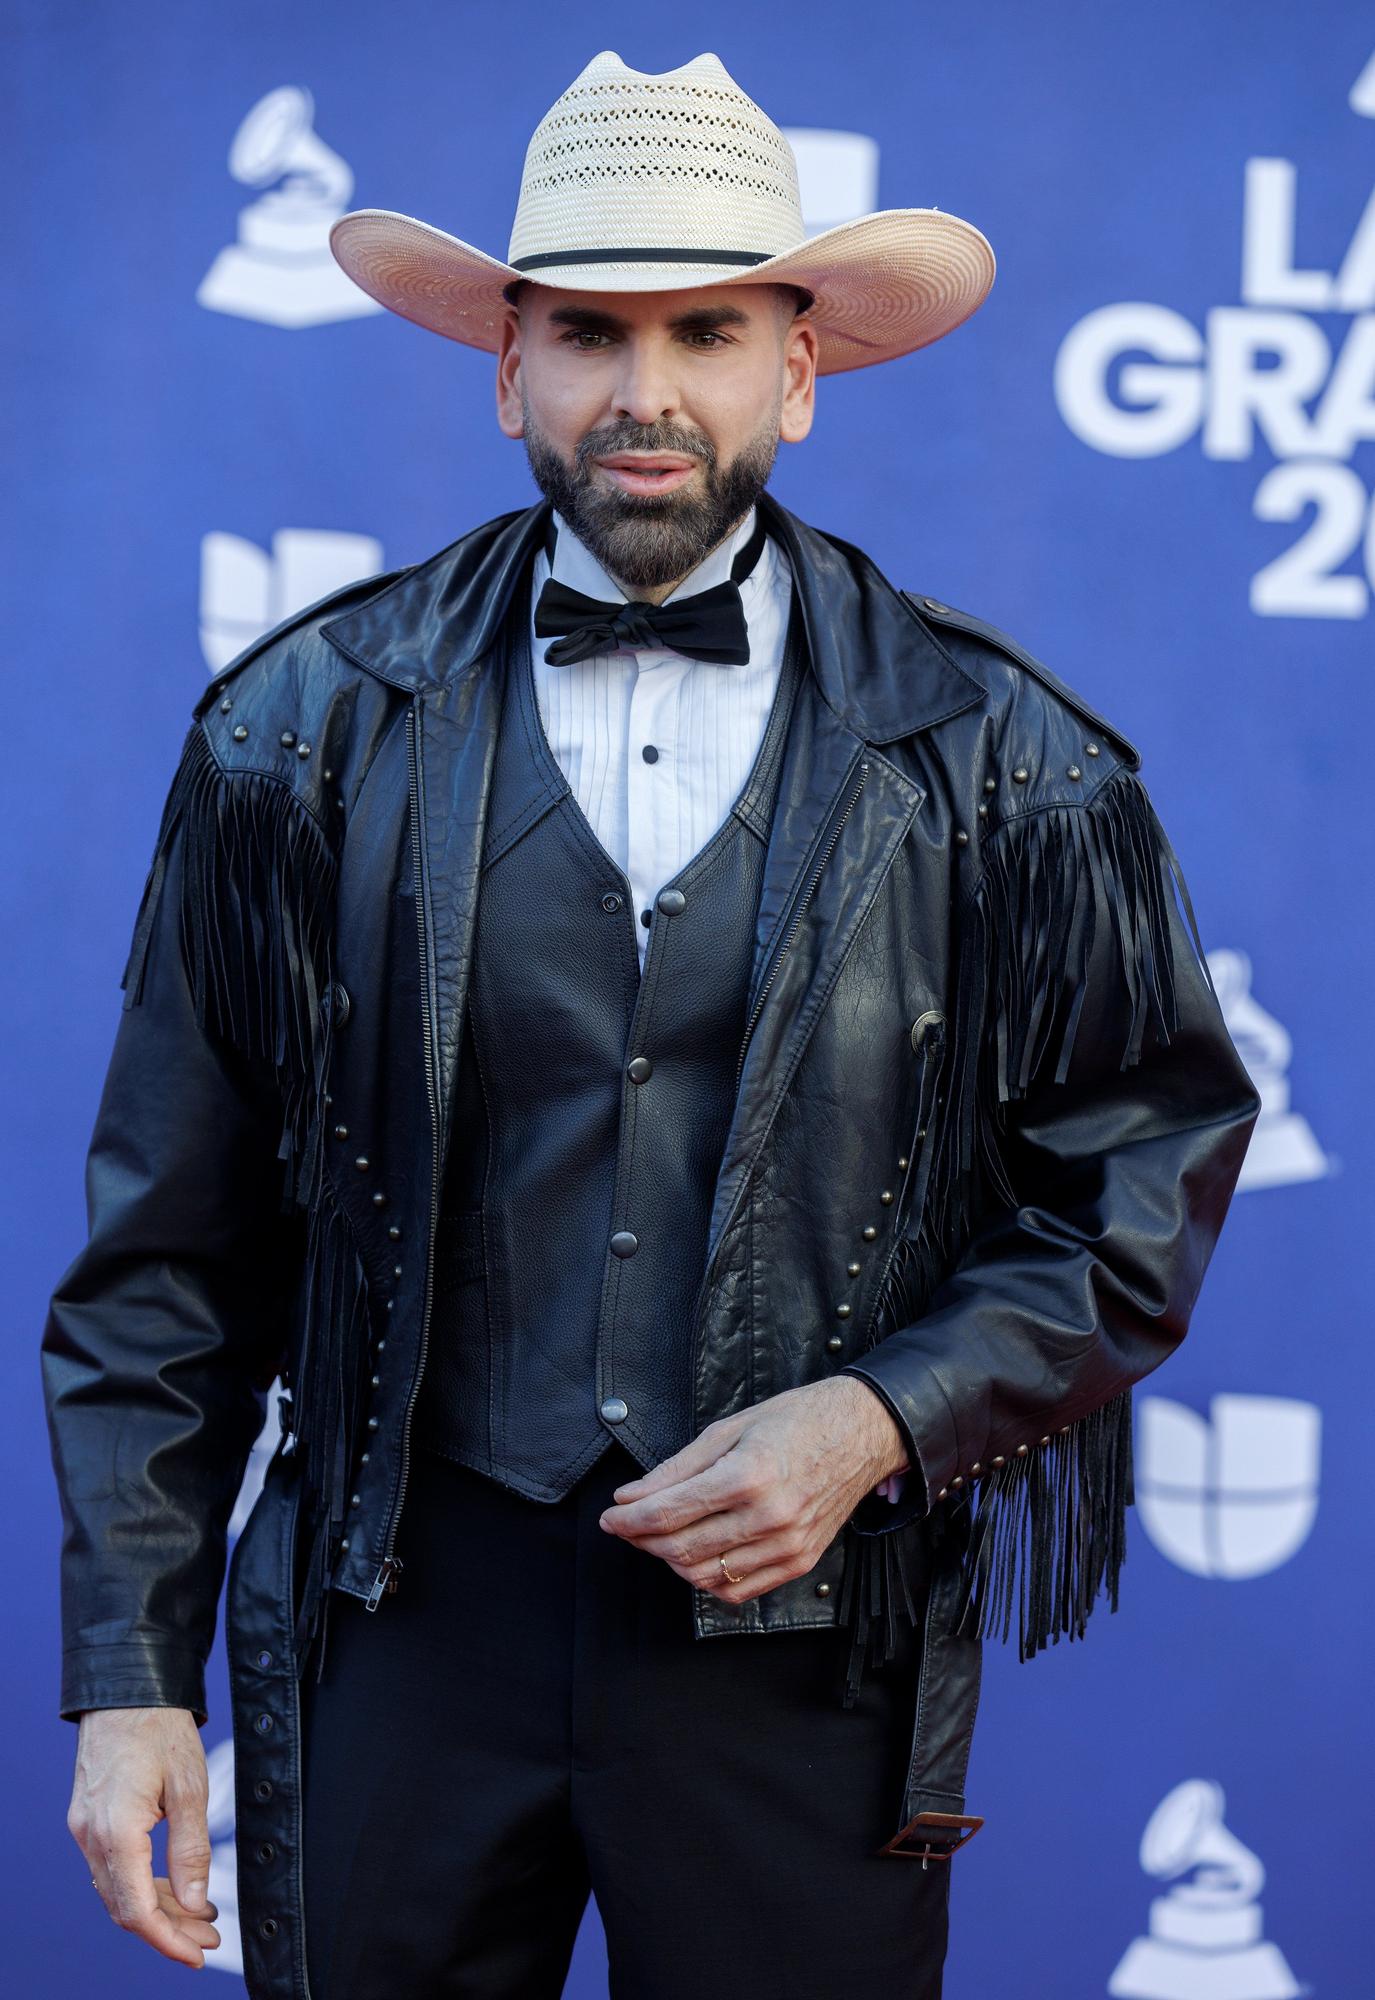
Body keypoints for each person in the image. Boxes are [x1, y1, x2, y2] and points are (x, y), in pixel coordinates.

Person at [42, 48, 1261, 2000]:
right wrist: (129, 1679)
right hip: (395, 1619)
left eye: (706, 329)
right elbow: (166, 1260)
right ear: (504, 364)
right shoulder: (300, 733)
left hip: (799, 1656)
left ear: (796, 367)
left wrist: (879, 1417)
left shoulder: (999, 761)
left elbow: (1138, 1191)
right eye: (589, 331)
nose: (647, 389)